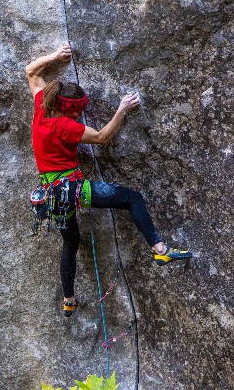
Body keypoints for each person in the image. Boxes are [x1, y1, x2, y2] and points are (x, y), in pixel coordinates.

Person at [26, 42, 192, 317]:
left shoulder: (41, 106)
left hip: (51, 194)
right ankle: (160, 249)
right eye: (78, 111)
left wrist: (56, 56)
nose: (80, 114)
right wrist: (122, 110)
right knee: (131, 197)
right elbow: (102, 137)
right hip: (74, 189)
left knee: (70, 243)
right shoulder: (66, 126)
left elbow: (31, 71)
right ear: (68, 111)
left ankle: (69, 300)